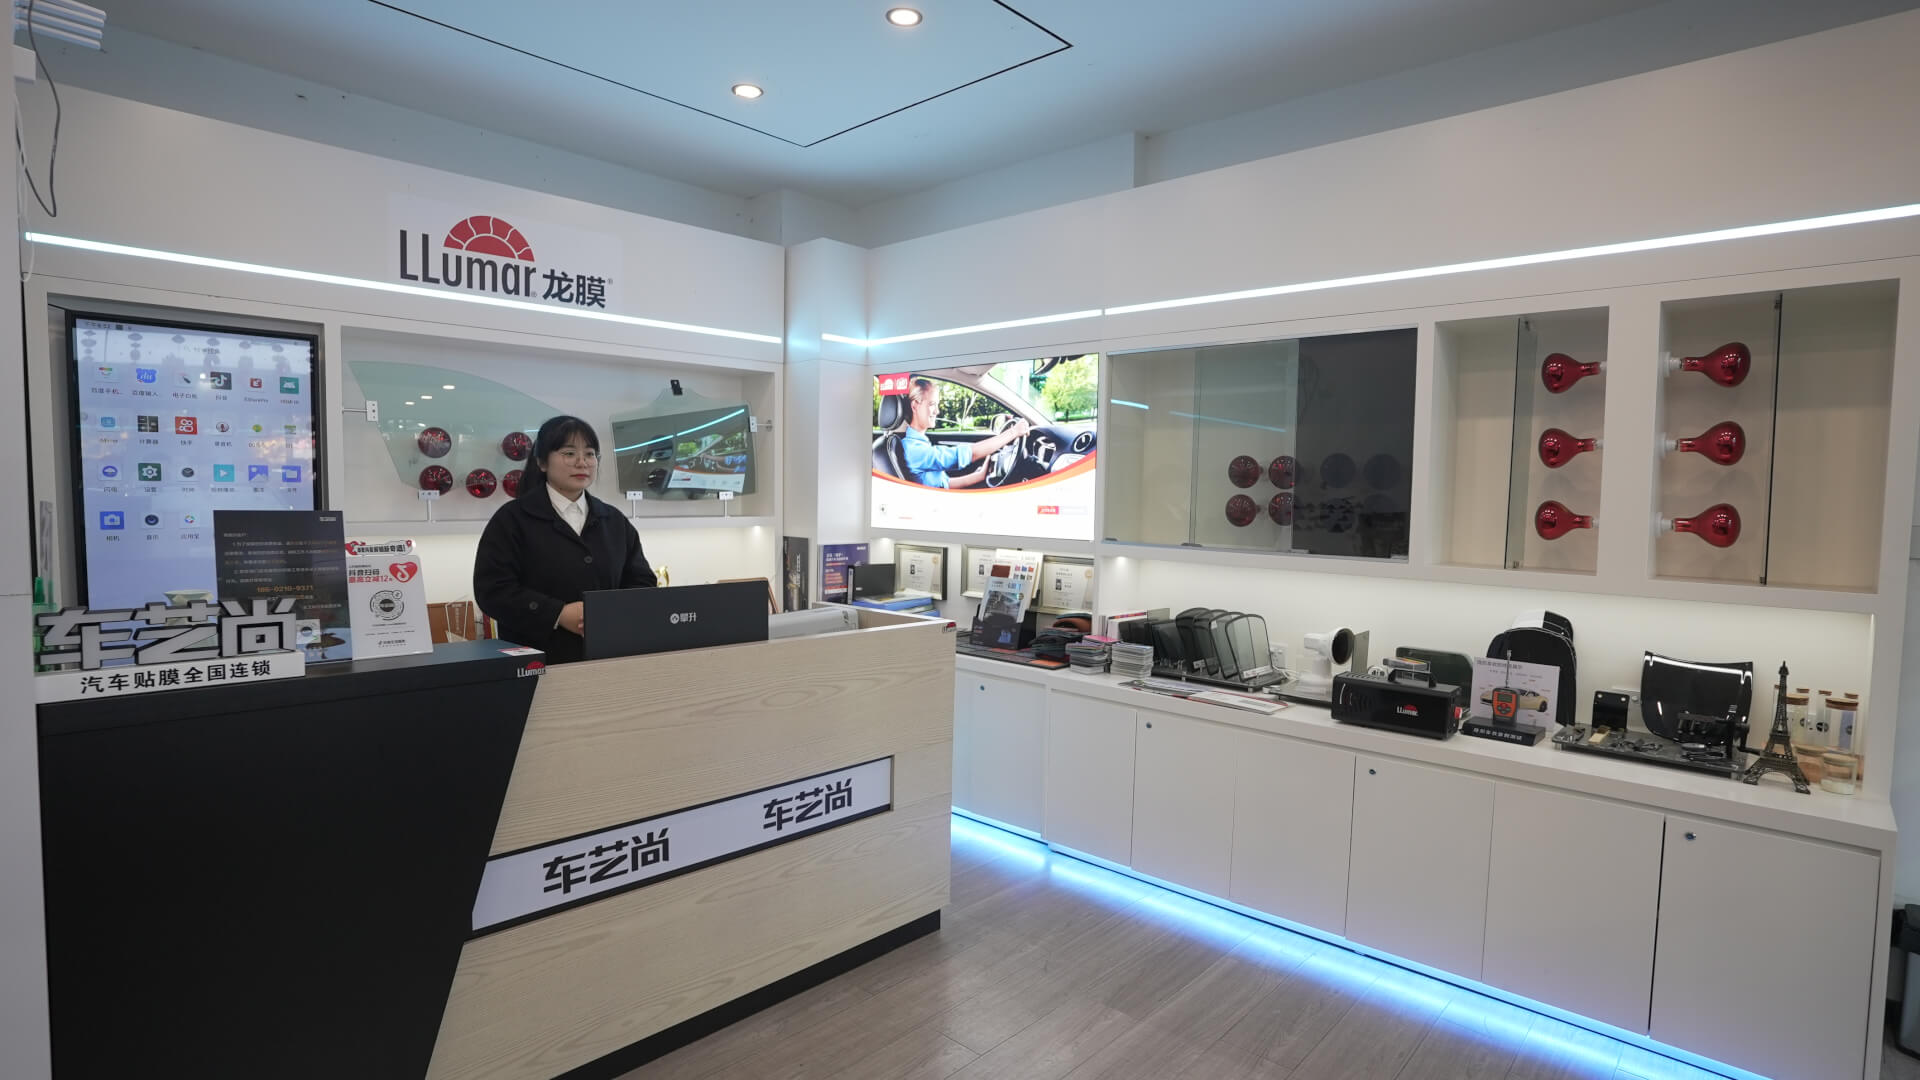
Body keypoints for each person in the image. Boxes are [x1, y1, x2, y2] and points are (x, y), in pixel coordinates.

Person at [474, 415, 656, 663]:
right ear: (542, 462)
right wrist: (557, 613)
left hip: (608, 657)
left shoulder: (613, 520)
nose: (582, 462)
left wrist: (612, 613)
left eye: (590, 454)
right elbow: (492, 590)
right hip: (536, 661)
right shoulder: (512, 519)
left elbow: (643, 582)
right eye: (569, 453)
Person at [897, 377, 1030, 488]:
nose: (937, 411)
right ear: (915, 406)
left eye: (937, 405)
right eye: (932, 404)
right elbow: (968, 454)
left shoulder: (916, 444)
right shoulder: (915, 450)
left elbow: (944, 484)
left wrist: (979, 476)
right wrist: (1013, 432)